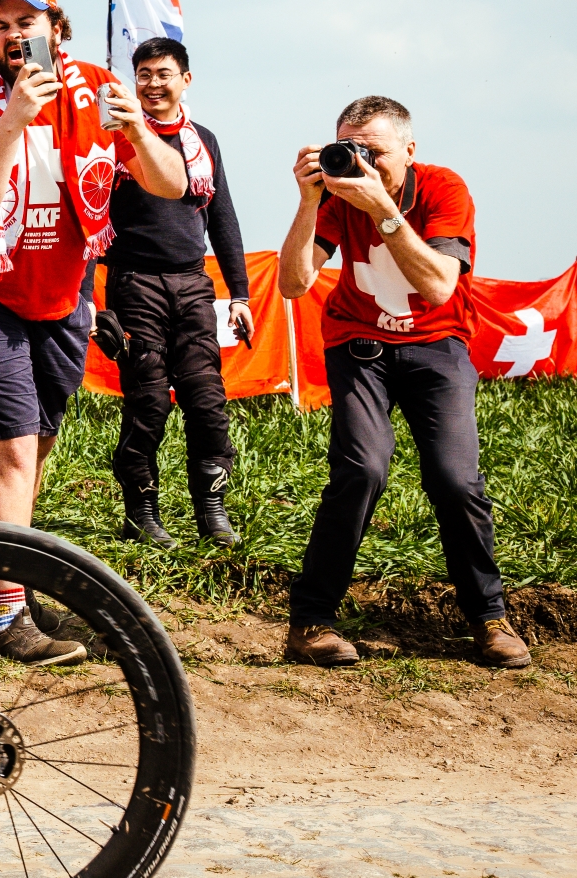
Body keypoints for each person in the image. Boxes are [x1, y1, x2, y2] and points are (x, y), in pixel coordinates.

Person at [0, 0, 187, 665]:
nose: (14, 36)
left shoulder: (98, 88)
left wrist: (135, 125)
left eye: (27, 22)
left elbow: (171, 184)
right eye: (0, 24)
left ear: (58, 28)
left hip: (64, 295)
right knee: (11, 450)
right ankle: (7, 618)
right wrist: (11, 119)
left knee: (36, 449)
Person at [277, 96, 529, 669]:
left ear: (410, 151)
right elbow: (293, 285)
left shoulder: (443, 189)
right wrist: (308, 202)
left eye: (377, 152)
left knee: (454, 478)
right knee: (361, 469)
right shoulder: (338, 196)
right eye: (351, 148)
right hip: (358, 345)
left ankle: (490, 618)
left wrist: (383, 208)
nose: (361, 163)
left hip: (437, 344)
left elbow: (440, 286)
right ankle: (310, 621)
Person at [98, 36, 252, 548]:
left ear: (185, 80)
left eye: (163, 74)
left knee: (207, 400)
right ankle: (141, 513)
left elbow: (222, 218)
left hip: (192, 283)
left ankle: (212, 510)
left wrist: (241, 295)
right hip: (133, 283)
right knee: (148, 403)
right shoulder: (114, 135)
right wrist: (95, 303)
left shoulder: (203, 139)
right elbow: (88, 211)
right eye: (143, 74)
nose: (153, 84)